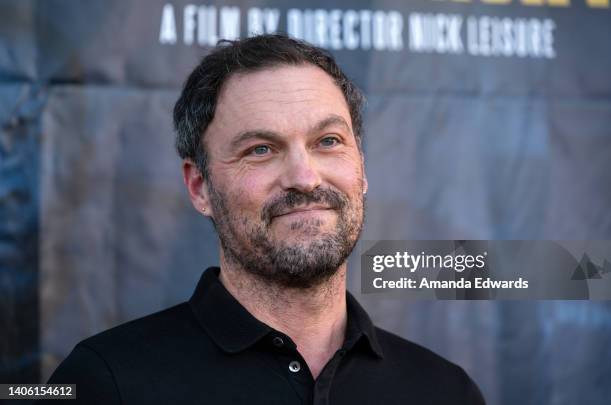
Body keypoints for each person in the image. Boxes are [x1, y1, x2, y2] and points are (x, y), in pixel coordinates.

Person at [45, 34, 485, 404]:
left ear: (362, 170)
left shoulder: (445, 389)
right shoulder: (104, 382)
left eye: (328, 141)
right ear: (200, 188)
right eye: (261, 149)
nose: (305, 177)